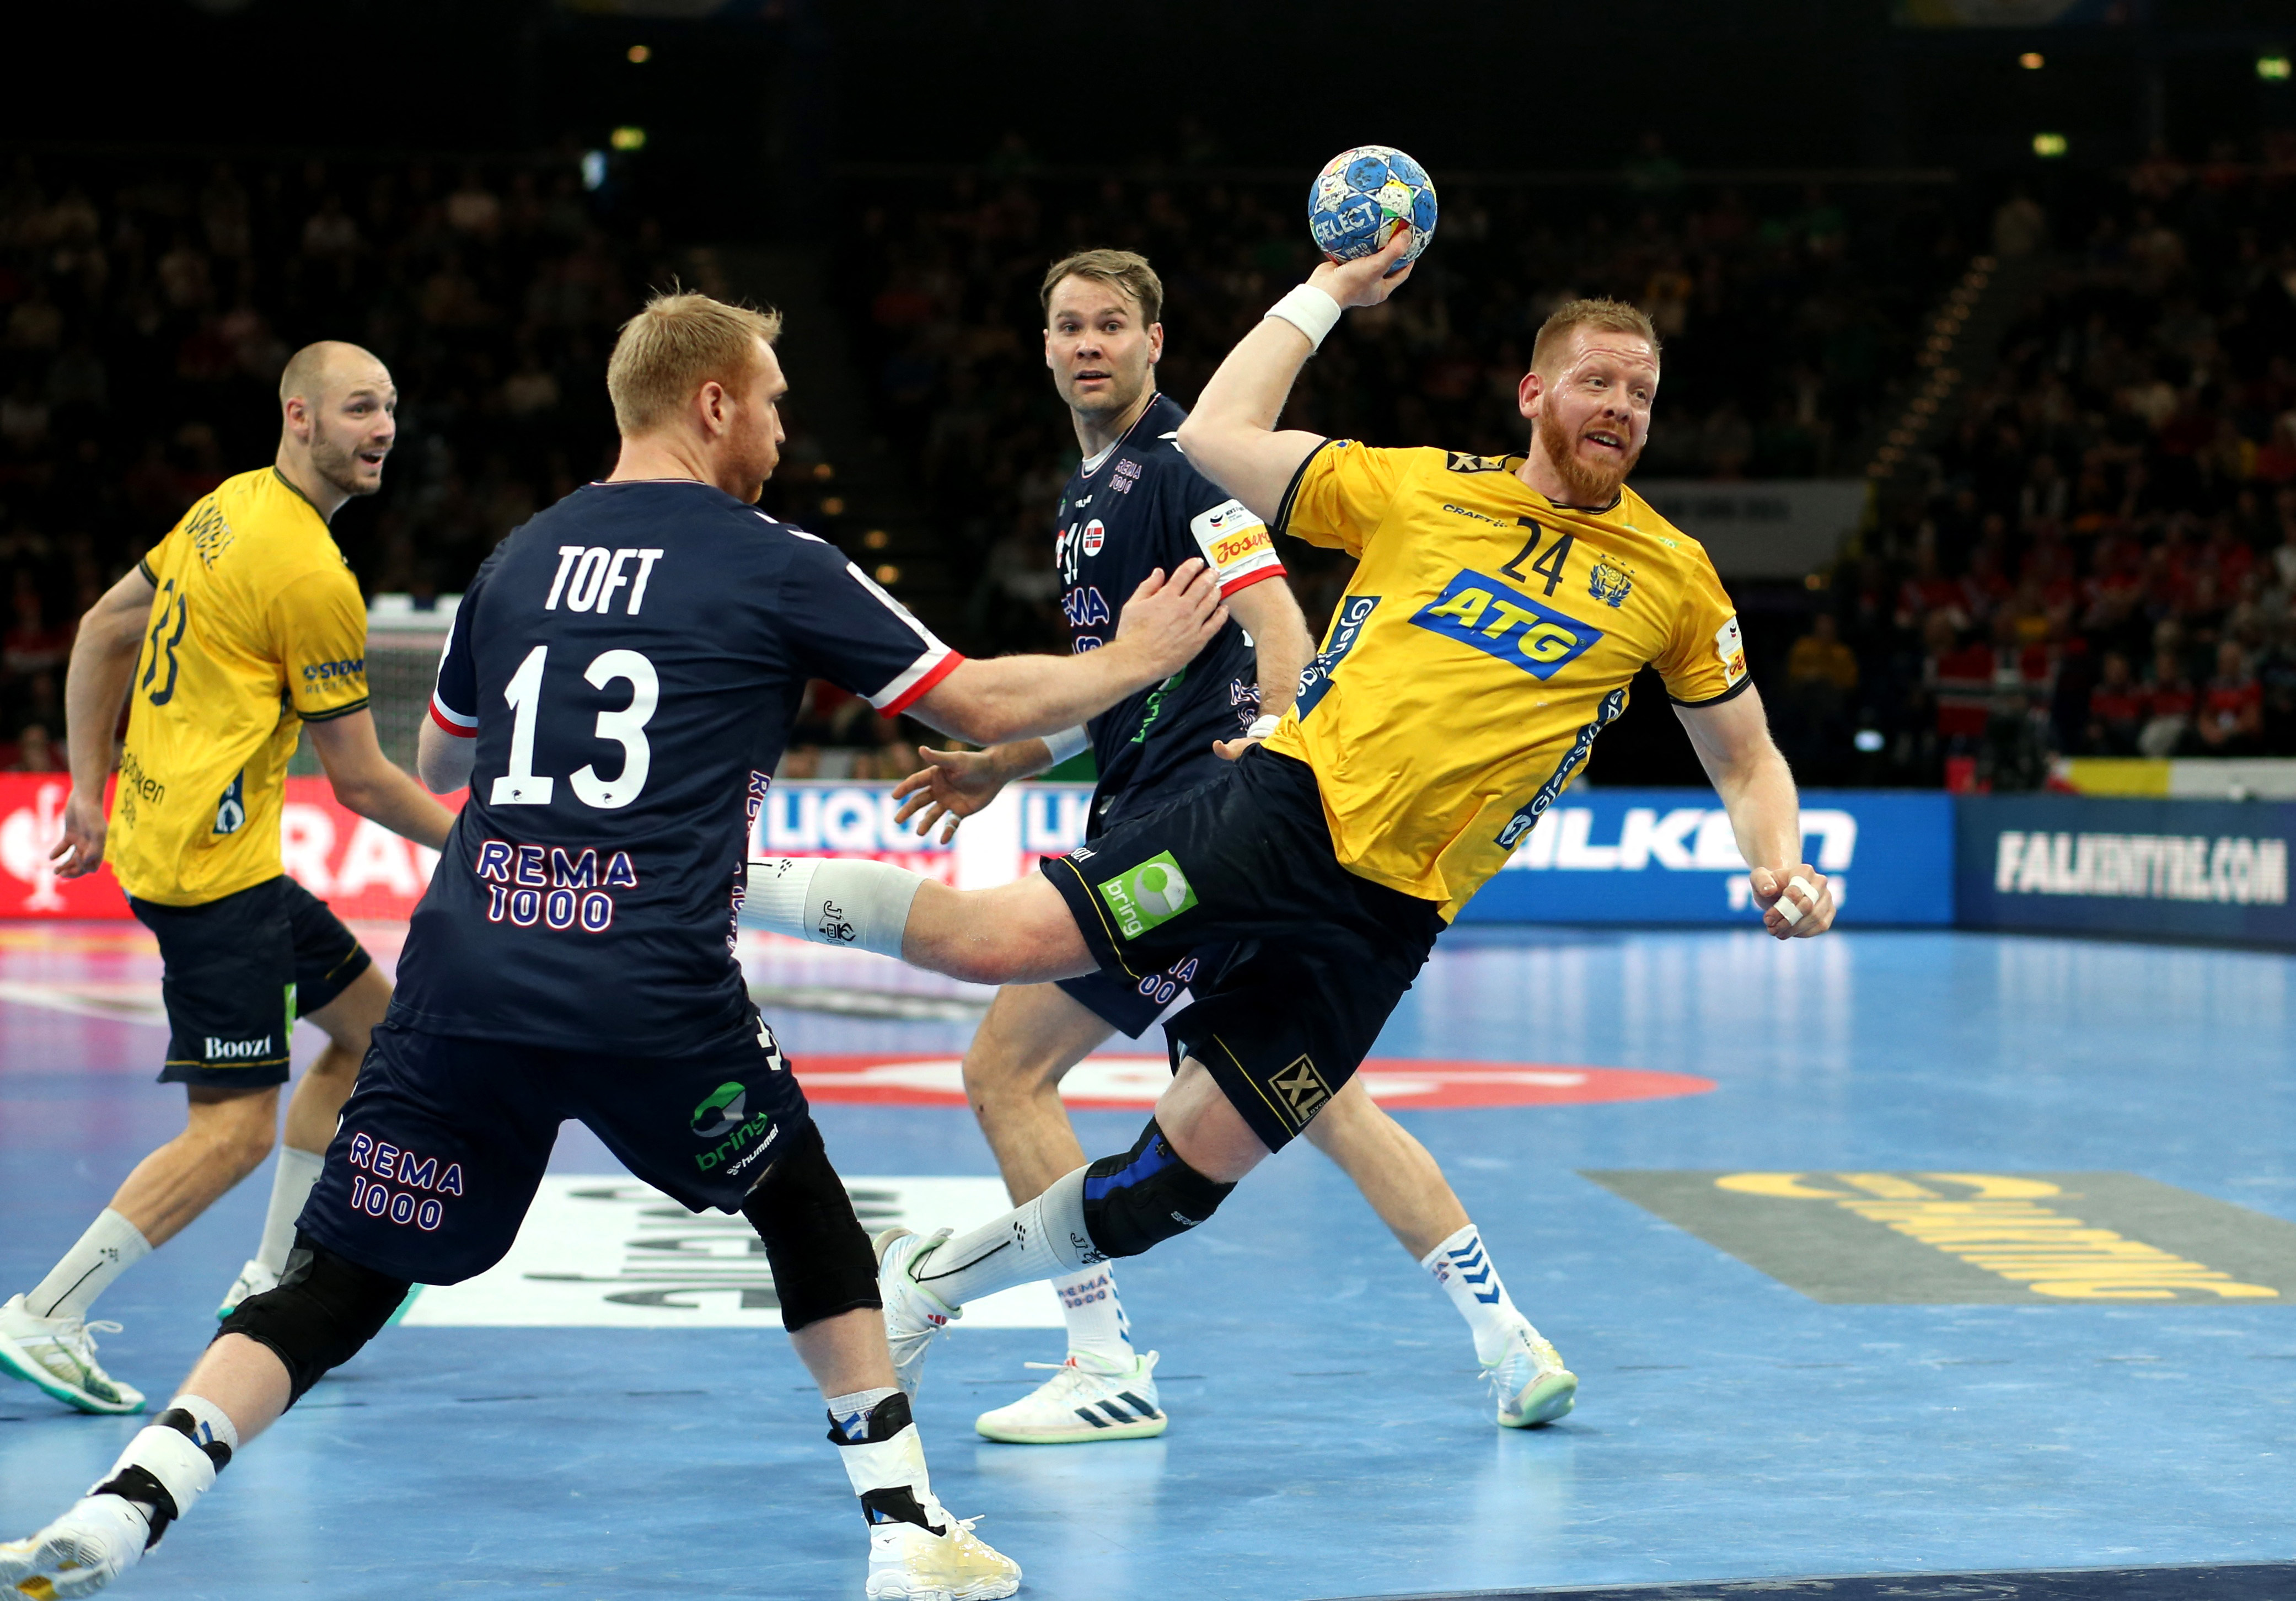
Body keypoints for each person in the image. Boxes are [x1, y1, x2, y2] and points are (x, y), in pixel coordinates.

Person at [0, 291, 1226, 1600]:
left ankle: (127, 1508)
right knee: (805, 1212)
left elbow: (440, 762)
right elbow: (975, 696)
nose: (779, 426)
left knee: (345, 1273)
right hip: (650, 978)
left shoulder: (519, 556)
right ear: (712, 405)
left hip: (468, 967)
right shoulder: (774, 556)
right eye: (770, 400)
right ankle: (909, 1534)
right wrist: (1132, 660)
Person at [744, 232, 1836, 1418]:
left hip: (1390, 920)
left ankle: (935, 1278)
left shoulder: (1675, 576)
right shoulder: (1422, 485)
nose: (1620, 406)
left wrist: (1780, 863)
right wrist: (1329, 291)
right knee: (995, 953)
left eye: (1640, 392)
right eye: (1598, 381)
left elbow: (1748, 759)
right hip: (1276, 816)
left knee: (1171, 1185)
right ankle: (711, 876)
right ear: (1536, 393)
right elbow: (1218, 435)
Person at [888, 248, 1575, 1443]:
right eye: (1068, 327)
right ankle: (1508, 1338)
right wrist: (1007, 763)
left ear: (1158, 343)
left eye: (1111, 325)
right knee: (1313, 1094)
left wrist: (1266, 734)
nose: (1088, 344)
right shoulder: (1088, 491)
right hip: (1192, 821)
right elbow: (1129, 686)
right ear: (1043, 347)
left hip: (1185, 840)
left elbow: (1276, 626)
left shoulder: (1177, 465)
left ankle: (1101, 1361)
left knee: (1007, 1068)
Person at [0, 343, 455, 1418]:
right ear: (300, 417)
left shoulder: (228, 506)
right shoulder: (309, 573)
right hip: (215, 876)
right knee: (234, 1128)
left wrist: (82, 786)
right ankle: (46, 1314)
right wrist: (493, 850)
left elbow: (104, 626)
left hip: (193, 846)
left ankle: (278, 1279)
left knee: (371, 1034)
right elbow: (360, 782)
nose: (383, 427)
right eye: (358, 409)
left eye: (390, 406)